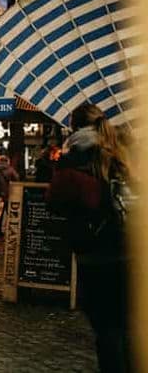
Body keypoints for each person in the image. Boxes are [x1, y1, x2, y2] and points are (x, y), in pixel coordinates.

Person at [47, 104, 131, 373]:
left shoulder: (74, 157)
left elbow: (55, 200)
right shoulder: (122, 151)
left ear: (74, 126)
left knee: (107, 329)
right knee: (129, 326)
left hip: (95, 254)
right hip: (133, 249)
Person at [0, 155, 19, 239]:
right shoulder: (10, 169)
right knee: (11, 214)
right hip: (9, 195)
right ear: (7, 161)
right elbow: (17, 178)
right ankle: (12, 232)